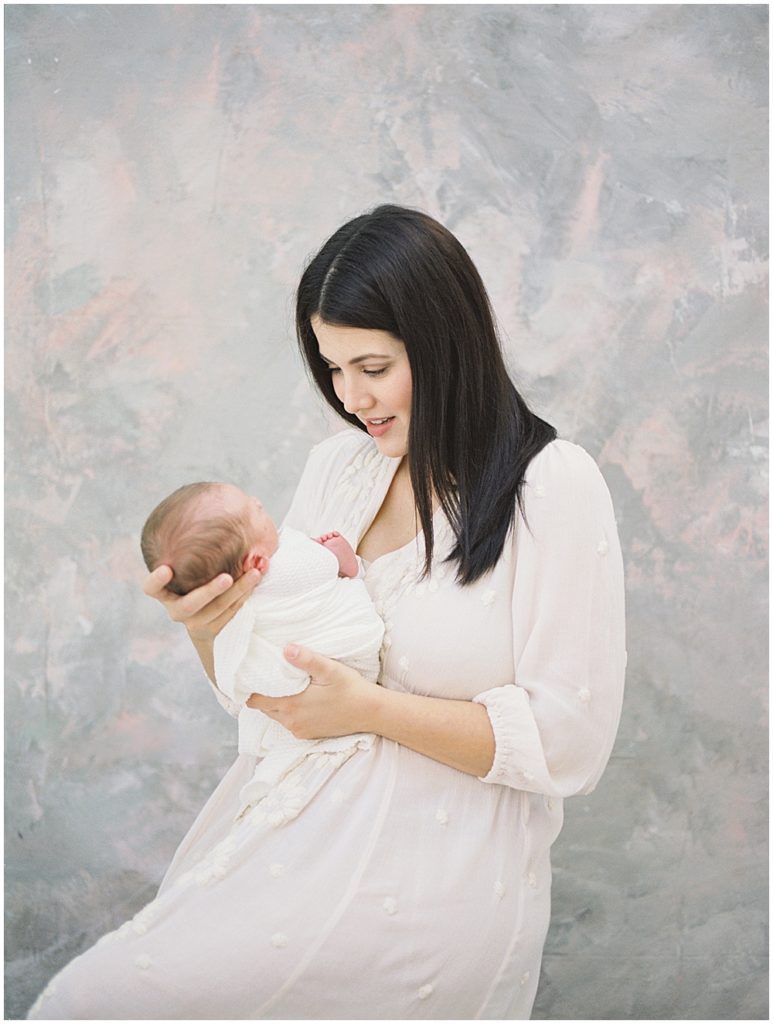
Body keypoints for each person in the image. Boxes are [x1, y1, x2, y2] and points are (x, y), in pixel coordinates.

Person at [27, 204, 626, 1020]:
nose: (350, 398)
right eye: (333, 368)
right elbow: (276, 692)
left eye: (372, 367)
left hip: (436, 879)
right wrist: (213, 629)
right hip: (296, 835)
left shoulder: (551, 486)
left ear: (445, 344)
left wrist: (369, 710)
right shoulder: (335, 469)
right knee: (89, 999)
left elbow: (568, 744)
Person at [139, 481, 384, 812]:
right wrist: (337, 555)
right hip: (347, 659)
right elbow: (324, 565)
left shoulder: (238, 603)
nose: (258, 501)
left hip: (331, 707)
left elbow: (232, 676)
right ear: (256, 562)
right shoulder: (280, 571)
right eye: (254, 510)